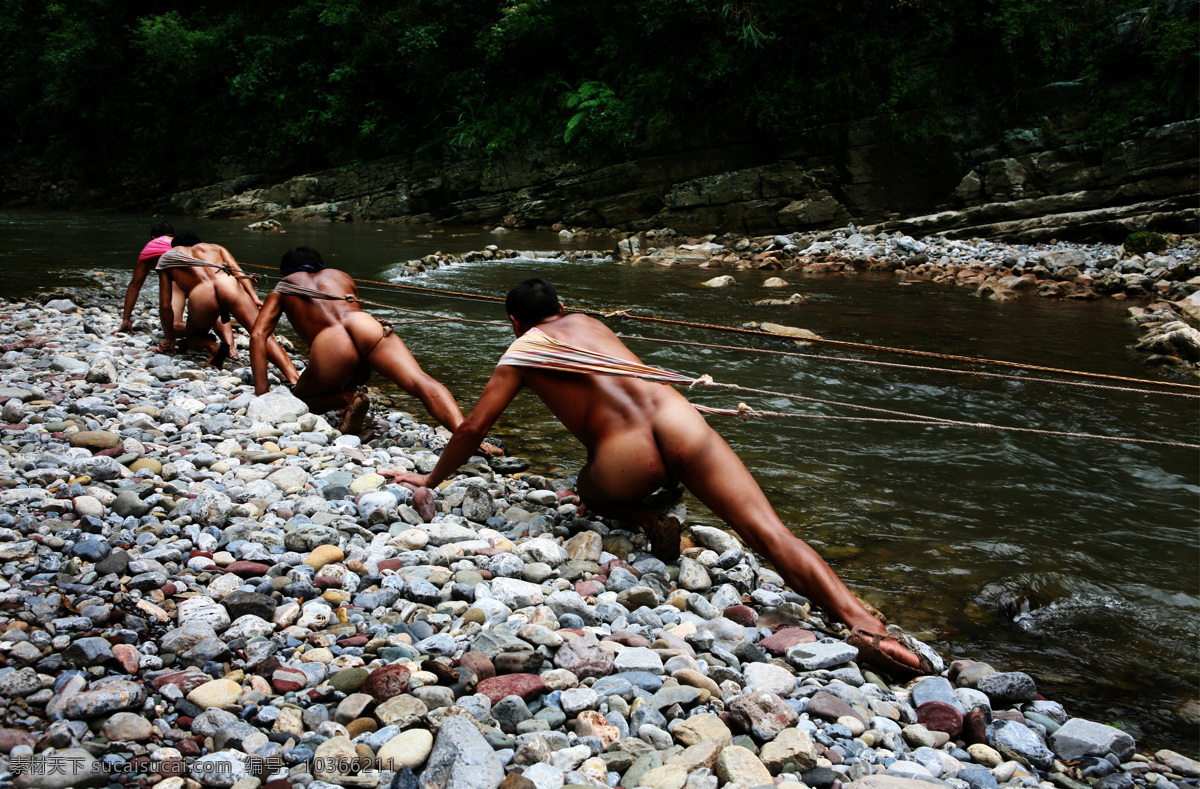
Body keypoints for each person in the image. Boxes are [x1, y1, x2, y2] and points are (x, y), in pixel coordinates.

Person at [382, 278, 928, 676]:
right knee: (771, 533)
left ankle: (646, 514)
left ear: (516, 323)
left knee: (586, 490)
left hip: (625, 459)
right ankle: (866, 628)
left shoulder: (520, 352)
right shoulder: (593, 324)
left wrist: (430, 479)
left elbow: (474, 426)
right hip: (681, 422)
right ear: (564, 306)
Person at [250, 246, 472, 436]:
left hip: (331, 340)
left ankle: (346, 399)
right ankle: (468, 437)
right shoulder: (341, 276)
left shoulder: (281, 289)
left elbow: (258, 335)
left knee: (299, 398)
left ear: (286, 271)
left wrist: (262, 392)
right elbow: (352, 320)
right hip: (365, 324)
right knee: (420, 381)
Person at [156, 232, 298, 381]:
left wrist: (170, 338)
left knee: (193, 337)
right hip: (227, 284)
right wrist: (254, 297)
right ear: (198, 242)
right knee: (261, 334)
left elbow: (165, 305)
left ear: (174, 246)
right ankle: (294, 378)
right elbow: (238, 271)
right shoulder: (215, 248)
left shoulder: (166, 258)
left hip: (200, 293)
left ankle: (213, 346)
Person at [114, 222, 237, 353]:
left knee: (174, 326)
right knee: (215, 313)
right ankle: (231, 348)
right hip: (206, 281)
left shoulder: (152, 246)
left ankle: (200, 335)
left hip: (176, 282)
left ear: (152, 237)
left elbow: (135, 285)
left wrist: (126, 319)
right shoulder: (186, 245)